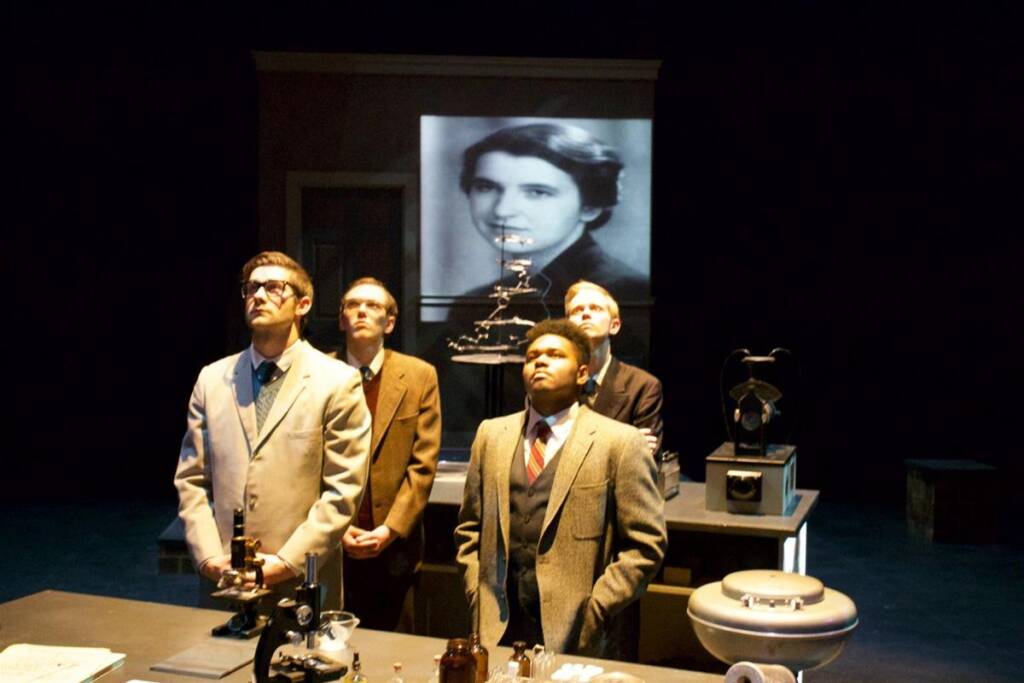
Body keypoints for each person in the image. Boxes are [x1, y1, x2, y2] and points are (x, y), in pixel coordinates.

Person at [454, 319, 666, 657]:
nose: (539, 361)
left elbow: (646, 546)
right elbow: (469, 527)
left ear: (582, 373)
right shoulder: (491, 435)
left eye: (554, 355)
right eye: (532, 356)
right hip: (498, 627)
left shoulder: (619, 442)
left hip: (577, 632)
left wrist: (597, 607)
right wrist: (476, 592)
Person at [174, 251, 371, 610]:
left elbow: (343, 491)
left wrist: (285, 563)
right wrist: (206, 557)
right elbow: (192, 480)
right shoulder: (212, 379)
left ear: (303, 304)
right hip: (225, 582)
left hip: (301, 585)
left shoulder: (337, 381)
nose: (259, 295)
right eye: (251, 288)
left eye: (273, 287)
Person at [332, 277, 441, 631]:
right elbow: (304, 463)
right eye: (353, 304)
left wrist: (390, 529)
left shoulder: (419, 375)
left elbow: (423, 464)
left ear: (389, 322)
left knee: (396, 651)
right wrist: (335, 527)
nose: (362, 310)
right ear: (341, 319)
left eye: (373, 305)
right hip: (331, 542)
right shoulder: (318, 372)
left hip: (395, 547)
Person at [459, 123, 647, 303]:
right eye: (486, 187)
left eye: (537, 192)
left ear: (590, 207)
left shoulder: (626, 293)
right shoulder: (480, 300)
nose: (502, 210)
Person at [564, 280, 664, 456]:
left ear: (614, 325)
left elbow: (644, 460)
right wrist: (622, 445)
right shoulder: (553, 382)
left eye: (595, 308)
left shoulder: (642, 386)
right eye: (577, 310)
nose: (586, 314)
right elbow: (542, 449)